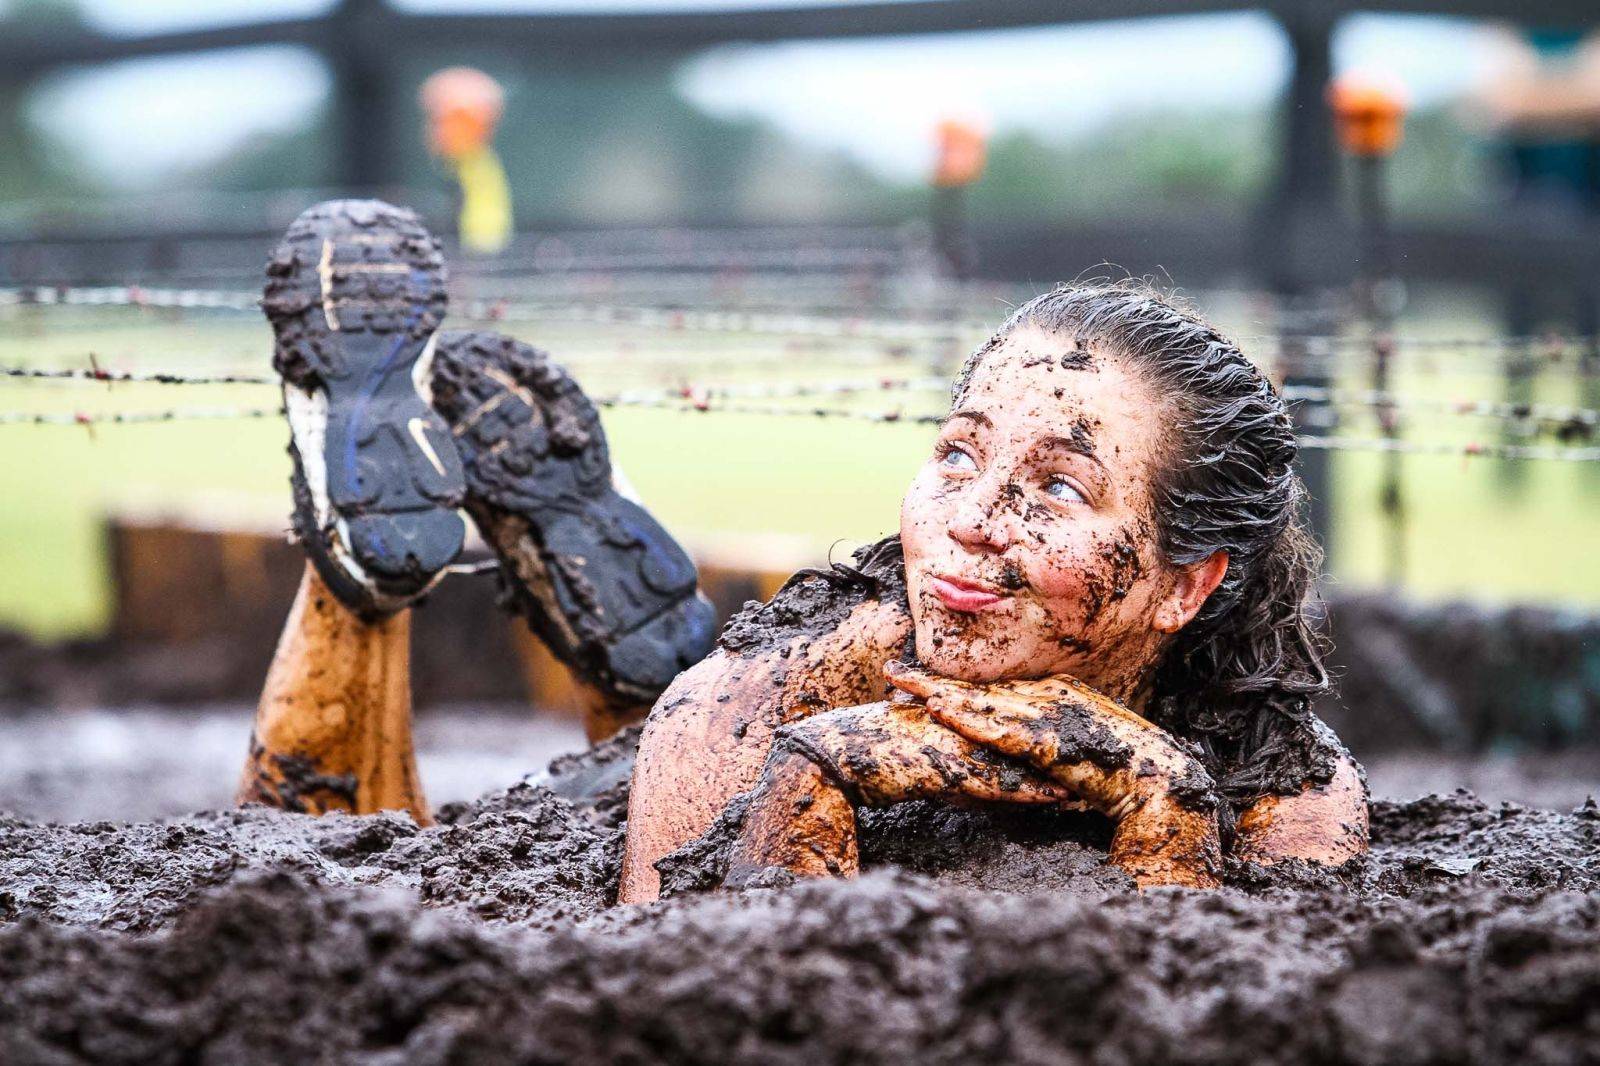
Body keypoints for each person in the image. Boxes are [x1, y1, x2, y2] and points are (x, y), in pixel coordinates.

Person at [619, 283, 1368, 899]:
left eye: (1061, 487)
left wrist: (1167, 805)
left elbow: (1220, 1021)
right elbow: (685, 997)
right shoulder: (754, 700)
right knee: (625, 734)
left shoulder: (1290, 789)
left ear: (1183, 585)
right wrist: (816, 771)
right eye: (957, 454)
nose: (972, 521)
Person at [236, 200, 715, 823]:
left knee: (328, 851)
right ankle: (642, 718)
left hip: (445, 885)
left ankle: (361, 575)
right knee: (676, 799)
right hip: (685, 822)